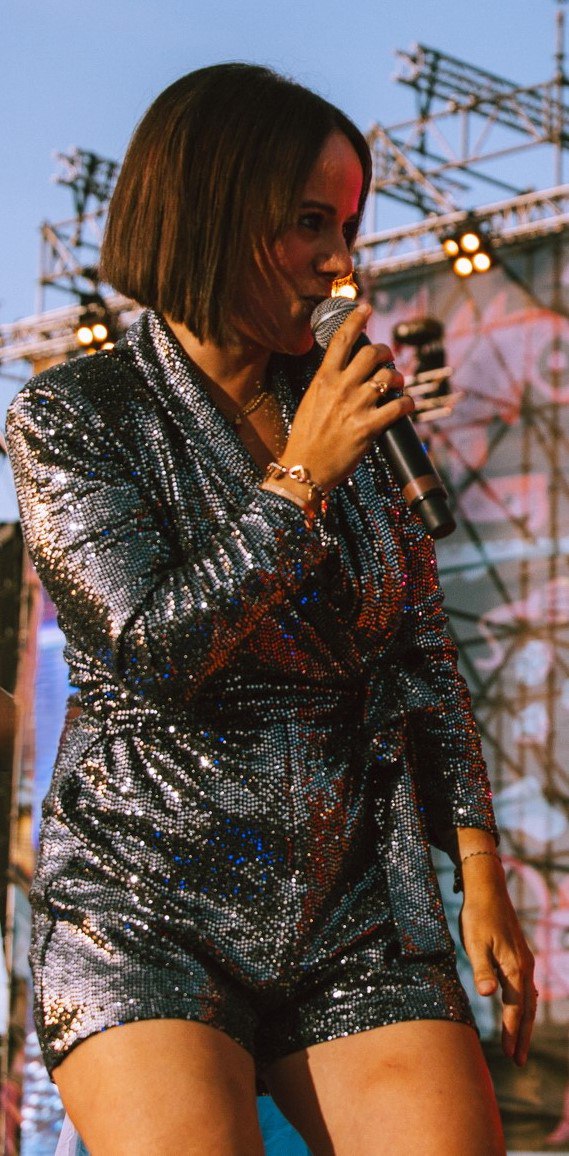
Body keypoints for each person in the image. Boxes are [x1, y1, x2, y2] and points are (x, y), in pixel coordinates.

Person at [6, 63, 536, 1156]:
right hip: (146, 902)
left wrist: (479, 866)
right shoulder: (73, 415)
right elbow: (152, 651)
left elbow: (419, 650)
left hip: (351, 908)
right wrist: (298, 481)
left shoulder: (351, 411)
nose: (341, 259)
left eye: (347, 224)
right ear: (212, 211)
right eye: (308, 223)